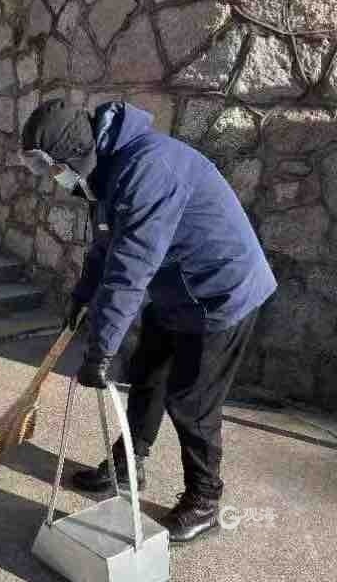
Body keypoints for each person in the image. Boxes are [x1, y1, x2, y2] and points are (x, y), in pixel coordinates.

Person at [19, 99, 277, 543]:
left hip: (221, 291)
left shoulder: (148, 170)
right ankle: (127, 465)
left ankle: (204, 501)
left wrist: (101, 350)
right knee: (146, 373)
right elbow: (106, 246)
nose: (52, 178)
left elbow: (130, 267)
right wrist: (82, 296)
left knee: (192, 402)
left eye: (52, 167)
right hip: (177, 287)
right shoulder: (105, 171)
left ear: (74, 153)